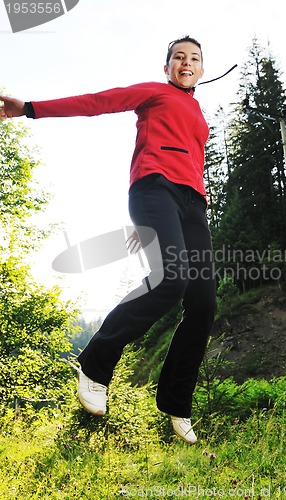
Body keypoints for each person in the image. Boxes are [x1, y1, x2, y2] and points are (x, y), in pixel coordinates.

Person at [0, 35, 216, 444]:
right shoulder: (154, 92)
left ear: (202, 70)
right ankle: (96, 366)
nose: (186, 62)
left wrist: (156, 224)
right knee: (171, 281)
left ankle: (176, 403)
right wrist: (29, 109)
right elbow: (98, 101)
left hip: (191, 204)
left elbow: (194, 164)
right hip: (154, 187)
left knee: (204, 302)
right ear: (166, 65)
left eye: (194, 58)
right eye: (178, 57)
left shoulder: (199, 114)